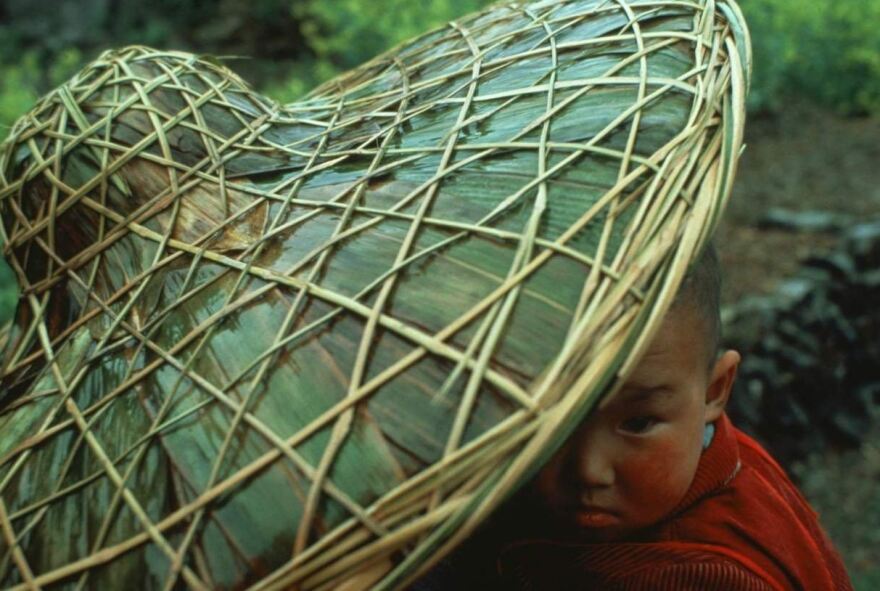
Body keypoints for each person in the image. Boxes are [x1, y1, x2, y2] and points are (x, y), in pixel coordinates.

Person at [410, 243, 854, 590]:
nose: (589, 470)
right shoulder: (720, 449)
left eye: (637, 424)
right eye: (551, 423)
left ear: (715, 390)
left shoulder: (684, 577)